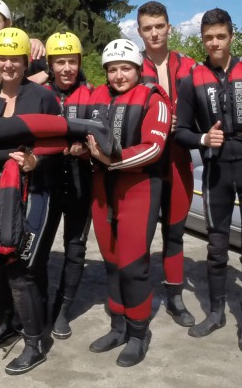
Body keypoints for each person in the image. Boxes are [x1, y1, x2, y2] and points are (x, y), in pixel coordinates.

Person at [173, 8, 242, 354]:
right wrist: (203, 140)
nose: (215, 43)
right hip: (216, 171)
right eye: (208, 38)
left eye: (220, 36)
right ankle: (216, 312)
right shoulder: (192, 79)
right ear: (203, 40)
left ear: (231, 36)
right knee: (216, 249)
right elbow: (179, 132)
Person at [0, 27, 62, 375]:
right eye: (3, 57)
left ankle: (35, 341)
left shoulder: (42, 97)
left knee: (23, 269)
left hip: (38, 191)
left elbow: (60, 144)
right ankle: (7, 322)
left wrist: (35, 160)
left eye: (16, 58)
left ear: (27, 61)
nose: (9, 64)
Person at [85, 38, 171, 368]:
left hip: (139, 188)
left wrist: (111, 159)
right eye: (112, 69)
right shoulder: (98, 96)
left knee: (133, 266)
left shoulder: (154, 99)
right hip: (103, 189)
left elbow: (154, 148)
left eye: (125, 68)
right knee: (110, 262)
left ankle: (138, 334)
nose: (119, 75)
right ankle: (118, 326)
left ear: (138, 68)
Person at [136, 1, 197, 326]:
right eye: (148, 28)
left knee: (174, 234)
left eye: (160, 26)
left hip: (178, 162)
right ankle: (139, 297)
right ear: (140, 32)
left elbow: (207, 111)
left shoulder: (189, 66)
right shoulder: (131, 67)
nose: (155, 33)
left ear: (169, 27)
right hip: (145, 167)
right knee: (142, 236)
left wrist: (186, 125)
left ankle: (175, 298)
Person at [42, 32, 94, 341]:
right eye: (59, 62)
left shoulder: (93, 93)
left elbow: (104, 134)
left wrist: (86, 149)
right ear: (49, 64)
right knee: (39, 247)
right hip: (45, 181)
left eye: (72, 62)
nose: (66, 69)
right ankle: (39, 304)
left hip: (80, 181)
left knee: (75, 249)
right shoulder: (37, 93)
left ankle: (63, 310)